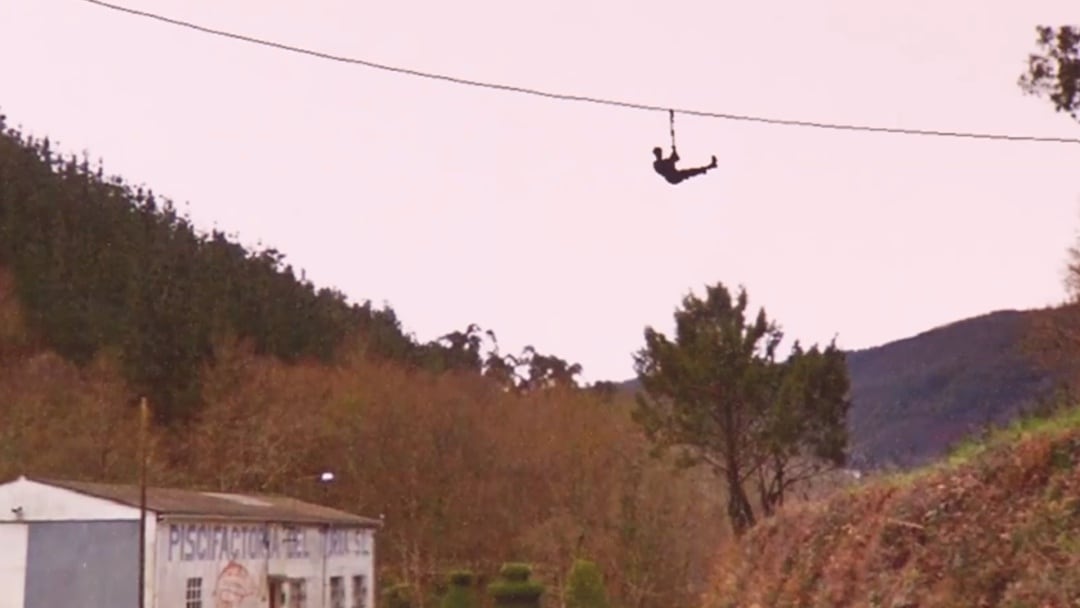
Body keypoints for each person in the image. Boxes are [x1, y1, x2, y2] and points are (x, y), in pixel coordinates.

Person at [652, 146, 717, 185]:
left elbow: (676, 158)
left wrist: (674, 151)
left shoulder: (665, 161)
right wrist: (672, 155)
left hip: (675, 175)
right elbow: (668, 165)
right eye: (658, 153)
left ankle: (710, 166)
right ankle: (710, 166)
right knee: (689, 172)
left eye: (660, 152)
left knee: (690, 171)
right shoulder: (656, 164)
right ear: (655, 155)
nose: (659, 154)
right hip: (672, 178)